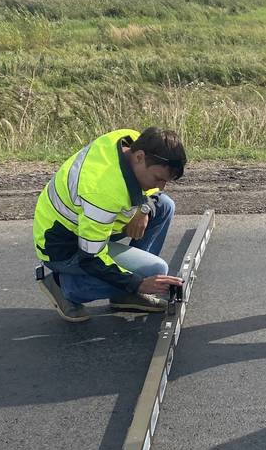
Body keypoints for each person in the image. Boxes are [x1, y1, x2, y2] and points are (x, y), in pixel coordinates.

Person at [33, 127, 186, 322]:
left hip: (84, 225)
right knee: (155, 270)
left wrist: (144, 207)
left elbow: (150, 195)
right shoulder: (102, 192)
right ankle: (63, 286)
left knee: (164, 205)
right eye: (158, 179)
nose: (160, 187)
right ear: (139, 157)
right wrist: (137, 283)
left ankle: (124, 294)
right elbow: (92, 257)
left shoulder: (129, 140)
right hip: (63, 249)